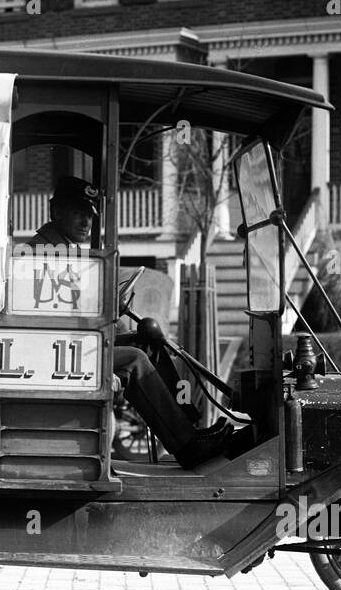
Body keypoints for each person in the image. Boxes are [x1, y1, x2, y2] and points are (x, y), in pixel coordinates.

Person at [31, 176, 232, 469]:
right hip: (56, 353)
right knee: (135, 360)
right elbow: (56, 315)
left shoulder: (65, 248)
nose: (86, 221)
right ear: (56, 212)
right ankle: (187, 446)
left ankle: (188, 430)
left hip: (75, 345)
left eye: (89, 214)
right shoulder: (42, 252)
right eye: (78, 212)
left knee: (147, 342)